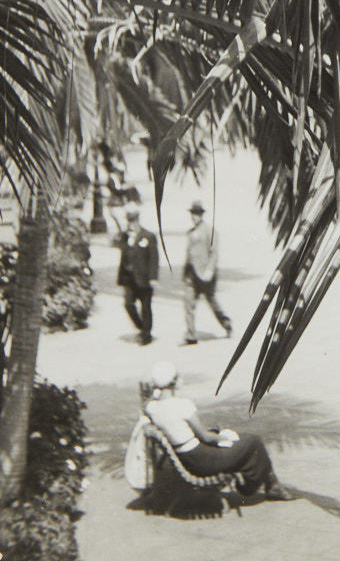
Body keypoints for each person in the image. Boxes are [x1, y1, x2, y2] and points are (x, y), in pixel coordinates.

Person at [144, 361, 293, 500]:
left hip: (188, 459)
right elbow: (206, 437)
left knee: (238, 441)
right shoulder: (183, 405)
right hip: (202, 459)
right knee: (253, 441)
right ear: (173, 382)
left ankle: (268, 484)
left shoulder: (152, 408)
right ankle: (260, 486)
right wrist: (222, 437)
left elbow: (152, 404)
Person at [183, 200, 232, 344]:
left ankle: (226, 322)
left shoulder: (209, 230)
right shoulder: (191, 232)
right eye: (193, 214)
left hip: (205, 274)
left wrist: (210, 270)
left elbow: (214, 252)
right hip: (191, 274)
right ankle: (191, 335)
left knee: (212, 301)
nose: (194, 217)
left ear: (201, 215)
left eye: (197, 214)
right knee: (188, 303)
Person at [117, 201, 159, 345]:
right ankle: (142, 327)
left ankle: (146, 335)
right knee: (128, 304)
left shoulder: (148, 236)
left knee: (146, 307)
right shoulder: (124, 237)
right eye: (128, 220)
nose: (130, 223)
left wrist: (153, 277)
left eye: (132, 220)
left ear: (137, 220)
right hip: (129, 278)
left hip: (144, 277)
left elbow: (154, 258)